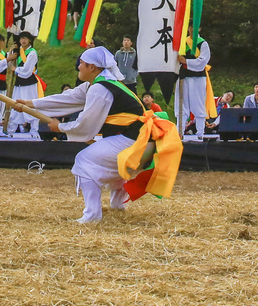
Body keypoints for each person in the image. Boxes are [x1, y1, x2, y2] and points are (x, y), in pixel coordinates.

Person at [29, 46, 182, 224]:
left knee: (84, 160)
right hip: (143, 140)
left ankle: (92, 215)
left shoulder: (100, 88)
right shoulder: (102, 83)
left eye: (81, 63)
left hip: (137, 141)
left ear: (92, 67)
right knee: (111, 166)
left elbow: (87, 123)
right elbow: (69, 98)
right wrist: (30, 103)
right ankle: (117, 206)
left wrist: (61, 127)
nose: (78, 66)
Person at [177, 37, 212, 140]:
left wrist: (186, 61)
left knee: (198, 103)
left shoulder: (202, 43)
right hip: (183, 76)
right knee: (182, 105)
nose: (191, 30)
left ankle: (200, 133)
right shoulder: (183, 42)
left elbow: (203, 61)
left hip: (198, 77)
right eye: (190, 28)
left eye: (194, 28)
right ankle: (179, 131)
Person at [9, 32, 41, 137]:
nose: (23, 41)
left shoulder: (32, 52)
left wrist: (16, 69)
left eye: (25, 38)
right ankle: (10, 131)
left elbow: (27, 70)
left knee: (31, 105)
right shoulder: (18, 52)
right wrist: (11, 51)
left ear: (29, 40)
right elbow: (10, 64)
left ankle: (34, 131)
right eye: (21, 39)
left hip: (29, 82)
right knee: (15, 105)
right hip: (19, 82)